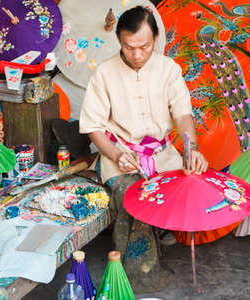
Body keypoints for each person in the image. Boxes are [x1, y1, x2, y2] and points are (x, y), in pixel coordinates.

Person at [79, 6, 208, 293]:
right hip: (121, 155)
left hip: (163, 155)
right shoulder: (104, 73)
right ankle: (141, 275)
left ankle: (158, 233)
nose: (137, 55)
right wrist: (115, 154)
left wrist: (191, 150)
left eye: (144, 47)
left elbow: (183, 115)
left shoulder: (169, 69)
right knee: (134, 194)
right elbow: (93, 127)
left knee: (190, 182)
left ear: (156, 38)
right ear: (119, 41)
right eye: (129, 47)